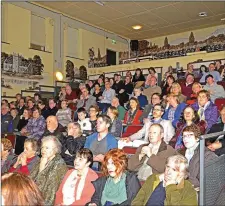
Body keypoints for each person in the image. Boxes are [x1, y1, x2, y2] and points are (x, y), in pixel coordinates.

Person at [132, 155, 198, 206]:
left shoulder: (188, 189)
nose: (168, 172)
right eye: (168, 167)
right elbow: (138, 200)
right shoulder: (153, 179)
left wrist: (171, 187)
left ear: (182, 174)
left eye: (174, 170)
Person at [30, 136, 68, 205]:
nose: (43, 150)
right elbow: (30, 178)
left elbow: (50, 191)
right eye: (42, 147)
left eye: (47, 148)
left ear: (55, 149)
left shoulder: (59, 164)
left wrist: (42, 168)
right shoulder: (43, 159)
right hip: (34, 195)